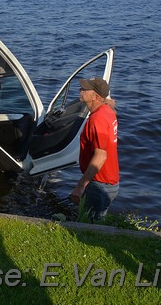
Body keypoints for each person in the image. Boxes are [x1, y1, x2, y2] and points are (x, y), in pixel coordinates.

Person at [70, 76, 119, 222]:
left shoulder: (97, 120)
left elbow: (101, 156)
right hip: (109, 182)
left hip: (99, 184)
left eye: (85, 89)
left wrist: (81, 185)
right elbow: (111, 109)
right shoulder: (107, 111)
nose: (80, 90)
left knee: (88, 226)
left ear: (95, 96)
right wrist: (108, 102)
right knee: (97, 222)